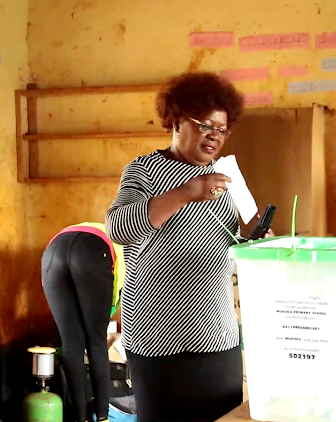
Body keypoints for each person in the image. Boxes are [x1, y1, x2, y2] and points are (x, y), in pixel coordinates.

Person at [106, 72, 267, 422]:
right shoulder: (144, 170)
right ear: (177, 120)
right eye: (206, 125)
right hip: (156, 336)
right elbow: (118, 227)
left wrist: (259, 245)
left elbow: (231, 244)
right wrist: (189, 192)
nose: (214, 136)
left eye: (222, 129)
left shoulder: (226, 177)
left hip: (216, 333)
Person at [42, 222, 126, 422]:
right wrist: (105, 316)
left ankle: (80, 418)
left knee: (71, 344)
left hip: (52, 253)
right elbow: (117, 293)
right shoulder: (126, 246)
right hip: (92, 251)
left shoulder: (109, 229)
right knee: (96, 342)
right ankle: (103, 417)